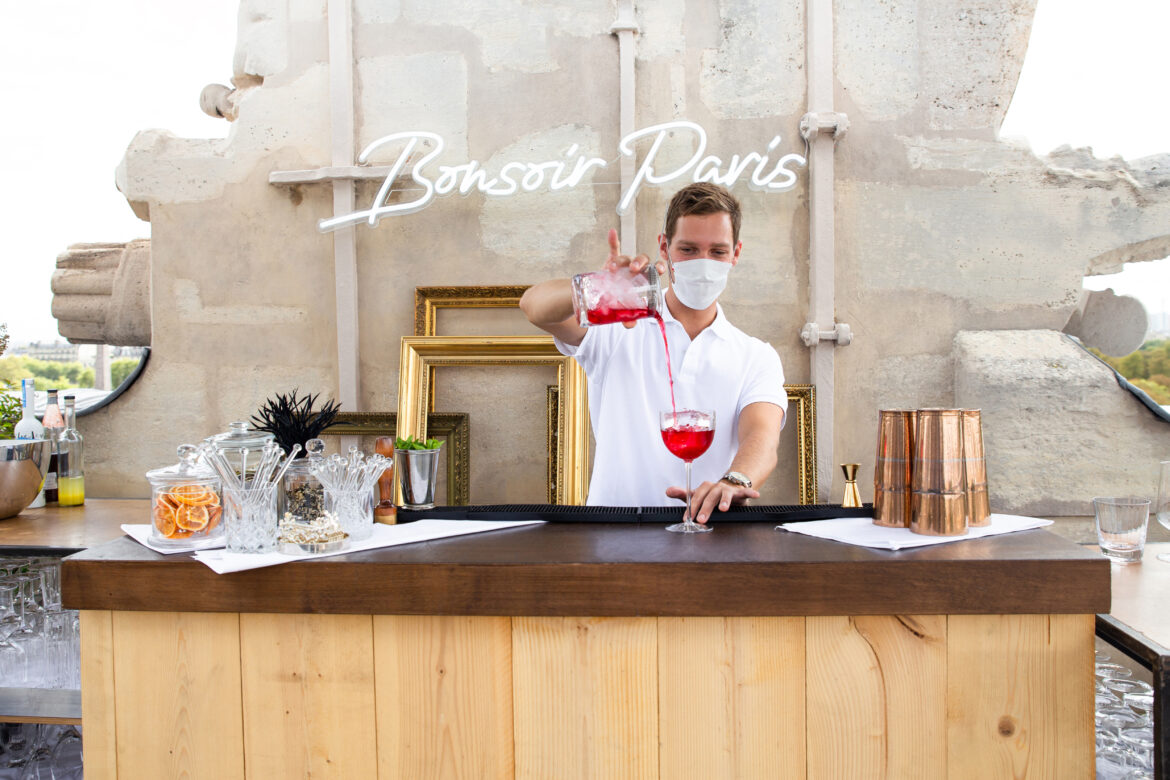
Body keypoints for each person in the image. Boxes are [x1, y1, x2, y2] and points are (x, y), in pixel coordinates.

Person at [519, 182, 787, 522]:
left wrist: (735, 481)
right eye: (688, 250)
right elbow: (533, 306)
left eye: (717, 252)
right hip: (613, 538)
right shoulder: (615, 328)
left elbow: (761, 435)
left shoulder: (755, 355)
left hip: (711, 536)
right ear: (664, 247)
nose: (703, 264)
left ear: (735, 254)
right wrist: (600, 289)